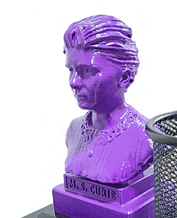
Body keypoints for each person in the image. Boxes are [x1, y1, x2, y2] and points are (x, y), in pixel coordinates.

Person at [62, 15, 153, 185]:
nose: (73, 82)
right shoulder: (74, 130)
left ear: (124, 77)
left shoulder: (146, 137)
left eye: (87, 71)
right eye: (71, 70)